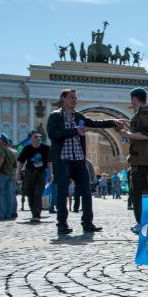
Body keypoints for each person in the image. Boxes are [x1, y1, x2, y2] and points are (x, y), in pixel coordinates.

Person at [47, 88, 124, 234]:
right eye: (71, 98)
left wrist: (112, 122)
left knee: (87, 192)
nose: (74, 100)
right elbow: (53, 134)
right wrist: (74, 131)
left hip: (79, 159)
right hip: (63, 159)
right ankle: (62, 224)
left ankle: (87, 222)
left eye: (75, 98)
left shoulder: (79, 117)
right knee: (62, 193)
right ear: (63, 98)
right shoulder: (55, 116)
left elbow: (94, 123)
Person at [118, 88, 148, 233]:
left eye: (131, 99)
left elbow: (147, 134)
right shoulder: (145, 114)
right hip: (142, 159)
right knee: (139, 193)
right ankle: (143, 222)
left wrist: (128, 134)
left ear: (135, 98)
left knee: (141, 194)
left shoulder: (143, 115)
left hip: (142, 159)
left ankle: (145, 223)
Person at [16, 130, 52, 222]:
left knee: (38, 193)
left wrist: (51, 174)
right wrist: (18, 174)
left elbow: (49, 162)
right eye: (35, 137)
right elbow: (21, 162)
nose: (38, 138)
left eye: (39, 136)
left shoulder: (45, 148)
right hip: (29, 173)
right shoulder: (26, 149)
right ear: (31, 139)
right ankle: (33, 213)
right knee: (31, 194)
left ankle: (37, 214)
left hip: (41, 173)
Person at [0, 134, 16, 220]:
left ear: (2, 141)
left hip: (2, 174)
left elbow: (1, 159)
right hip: (10, 175)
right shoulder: (12, 151)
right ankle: (8, 214)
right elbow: (15, 165)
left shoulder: (1, 149)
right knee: (9, 195)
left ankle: (0, 214)